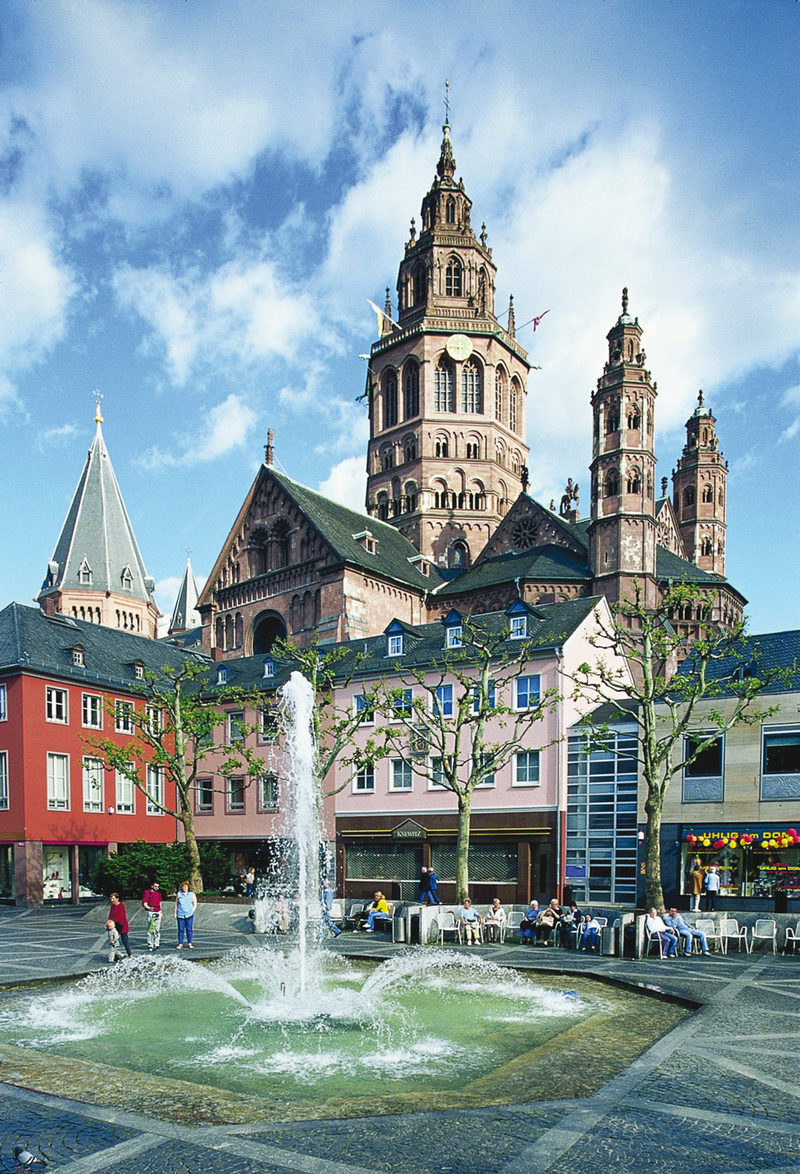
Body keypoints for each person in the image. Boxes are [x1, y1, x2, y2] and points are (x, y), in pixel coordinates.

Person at [174, 881, 197, 949]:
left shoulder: (192, 894)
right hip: (180, 914)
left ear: (188, 887)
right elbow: (176, 904)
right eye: (183, 887)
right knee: (181, 930)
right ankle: (180, 943)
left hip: (189, 914)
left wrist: (192, 911)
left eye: (185, 887)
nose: (184, 888)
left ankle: (190, 943)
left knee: (189, 929)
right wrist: (175, 913)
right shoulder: (179, 894)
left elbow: (195, 904)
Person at [108, 893, 132, 957]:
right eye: (111, 898)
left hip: (122, 925)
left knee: (124, 939)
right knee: (113, 939)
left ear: (117, 899)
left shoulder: (121, 905)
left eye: (113, 898)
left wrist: (113, 921)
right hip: (114, 925)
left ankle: (130, 954)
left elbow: (121, 916)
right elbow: (110, 915)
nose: (112, 900)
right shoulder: (112, 906)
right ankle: (116, 955)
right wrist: (108, 922)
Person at [142, 881, 163, 951]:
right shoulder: (147, 893)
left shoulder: (158, 894)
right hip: (151, 911)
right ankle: (150, 943)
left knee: (157, 929)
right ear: (152, 886)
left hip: (158, 911)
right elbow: (145, 903)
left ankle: (156, 943)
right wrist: (149, 908)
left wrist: (161, 912)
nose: (156, 888)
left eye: (157, 887)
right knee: (150, 928)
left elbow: (160, 903)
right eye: (155, 886)